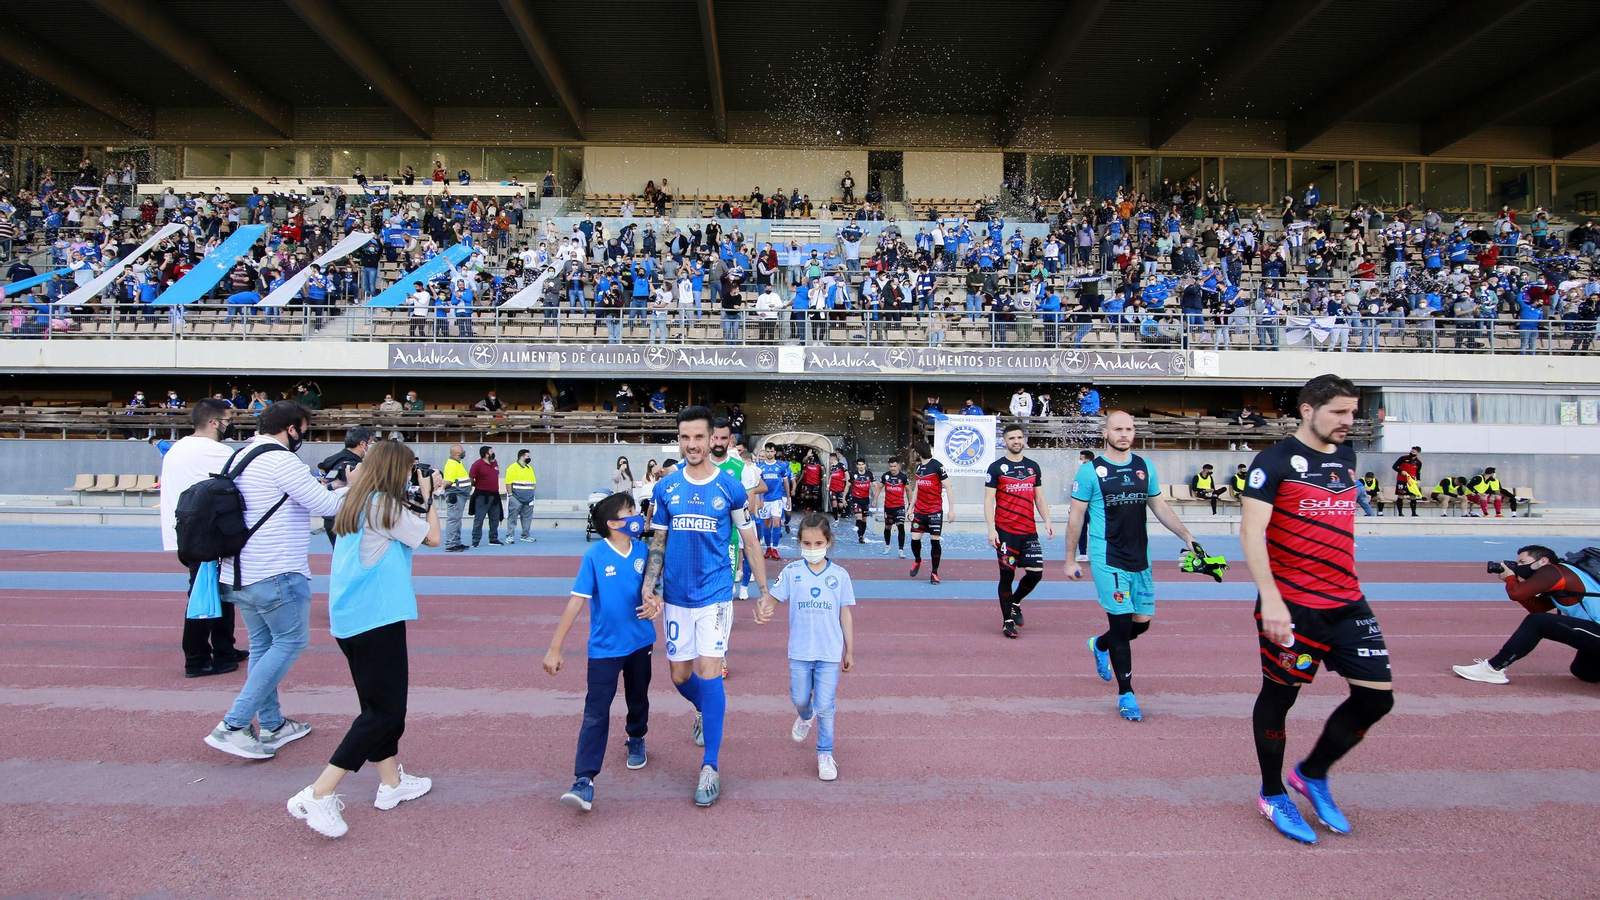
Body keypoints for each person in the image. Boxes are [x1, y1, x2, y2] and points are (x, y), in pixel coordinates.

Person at [1240, 374, 1394, 845]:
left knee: (1377, 699)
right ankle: (1272, 793)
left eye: (1353, 412)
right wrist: (1271, 598)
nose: (1349, 421)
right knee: (1280, 698)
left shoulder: (1346, 457)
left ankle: (1311, 773)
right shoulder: (1273, 461)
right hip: (1294, 606)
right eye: (1339, 412)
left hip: (1348, 600)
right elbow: (1250, 533)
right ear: (1307, 410)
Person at [286, 440, 440, 838]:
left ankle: (391, 782)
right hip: (377, 618)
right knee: (384, 712)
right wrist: (430, 495)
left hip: (351, 617)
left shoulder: (353, 498)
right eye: (407, 469)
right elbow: (433, 537)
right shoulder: (384, 506)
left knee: (378, 706)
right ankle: (319, 792)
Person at [639, 406, 773, 807]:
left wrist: (763, 590)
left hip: (715, 594)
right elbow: (658, 542)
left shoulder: (730, 488)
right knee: (680, 677)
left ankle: (710, 767)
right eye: (685, 437)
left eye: (699, 437)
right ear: (679, 440)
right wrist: (649, 586)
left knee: (710, 672)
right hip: (676, 597)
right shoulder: (666, 488)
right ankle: (703, 709)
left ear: (713, 438)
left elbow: (750, 541)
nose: (692, 444)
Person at [203, 401, 349, 760]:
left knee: (263, 647)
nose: (303, 437)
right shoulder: (282, 460)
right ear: (292, 428)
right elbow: (328, 506)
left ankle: (272, 723)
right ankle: (233, 724)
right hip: (276, 571)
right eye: (303, 430)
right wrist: (353, 487)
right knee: (289, 643)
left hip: (239, 571)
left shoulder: (240, 456)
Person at [1064, 410, 1199, 722]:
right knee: (1122, 625)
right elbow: (1076, 517)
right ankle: (1127, 694)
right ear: (1105, 433)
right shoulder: (1090, 472)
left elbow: (1160, 506)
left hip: (1140, 557)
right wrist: (1070, 559)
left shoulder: (1145, 467)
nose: (1124, 434)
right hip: (1107, 557)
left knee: (1142, 623)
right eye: (1118, 429)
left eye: (1129, 429)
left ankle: (1100, 644)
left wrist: (1187, 536)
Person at [544, 491, 656, 812]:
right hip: (604, 649)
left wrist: (656, 603)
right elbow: (576, 602)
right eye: (630, 511)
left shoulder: (645, 551)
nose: (637, 516)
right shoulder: (594, 555)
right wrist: (555, 648)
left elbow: (656, 589)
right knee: (595, 711)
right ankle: (584, 780)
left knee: (638, 697)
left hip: (640, 643)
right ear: (613, 523)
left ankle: (636, 736)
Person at [159, 399, 249, 678]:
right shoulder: (216, 452)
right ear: (214, 423)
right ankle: (196, 659)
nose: (230, 425)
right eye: (228, 420)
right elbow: (242, 482)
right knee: (204, 595)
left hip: (187, 532)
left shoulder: (178, 448)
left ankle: (224, 648)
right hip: (207, 534)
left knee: (219, 592)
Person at [770, 514, 855, 782]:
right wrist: (763, 609)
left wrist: (849, 650)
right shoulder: (792, 572)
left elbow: (845, 614)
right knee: (799, 698)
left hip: (829, 652)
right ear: (799, 543)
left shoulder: (839, 575)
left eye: (818, 543)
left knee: (826, 706)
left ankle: (825, 753)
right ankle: (805, 716)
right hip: (800, 650)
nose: (812, 548)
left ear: (828, 542)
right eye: (806, 544)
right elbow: (773, 598)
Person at [1452, 545, 1600, 685]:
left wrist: (1510, 578)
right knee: (1584, 671)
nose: (1519, 566)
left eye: (1523, 562)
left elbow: (1518, 593)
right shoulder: (1564, 576)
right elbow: (1538, 607)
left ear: (1543, 561)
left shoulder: (1551, 570)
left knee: (1536, 621)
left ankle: (1493, 668)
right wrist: (1512, 580)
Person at [984, 425, 1054, 639]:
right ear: (1004, 441)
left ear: (1024, 440)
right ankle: (1007, 621)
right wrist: (991, 529)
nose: (1016, 441)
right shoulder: (996, 468)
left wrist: (1047, 520)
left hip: (1029, 530)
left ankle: (1015, 601)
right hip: (1005, 531)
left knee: (1036, 573)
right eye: (1012, 438)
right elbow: (988, 500)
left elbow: (1039, 497)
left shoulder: (1033, 467)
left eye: (1019, 437)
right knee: (1007, 575)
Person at [711, 418, 765, 678]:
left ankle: (719, 653)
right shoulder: (694, 463)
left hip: (729, 541)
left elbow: (749, 506)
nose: (719, 442)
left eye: (724, 438)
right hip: (697, 543)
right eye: (715, 437)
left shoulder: (739, 469)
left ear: (730, 440)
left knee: (723, 598)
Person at [317, 427, 372, 547]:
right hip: (346, 518)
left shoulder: (333, 461)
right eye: (370, 443)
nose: (370, 447)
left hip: (330, 516)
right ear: (362, 444)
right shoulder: (354, 465)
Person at [907, 440, 949, 583]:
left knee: (934, 540)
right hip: (920, 510)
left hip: (934, 510)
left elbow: (948, 486)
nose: (913, 454)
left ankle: (934, 572)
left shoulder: (937, 466)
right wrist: (910, 507)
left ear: (919, 452)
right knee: (915, 539)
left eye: (914, 451)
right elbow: (917, 488)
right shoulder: (919, 468)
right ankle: (918, 560)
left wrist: (952, 509)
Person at [756, 443, 791, 560]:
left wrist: (788, 499)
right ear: (765, 452)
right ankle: (768, 548)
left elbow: (786, 482)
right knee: (767, 524)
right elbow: (758, 485)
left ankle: (775, 549)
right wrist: (760, 500)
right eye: (768, 451)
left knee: (776, 523)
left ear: (775, 452)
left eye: (771, 451)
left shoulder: (781, 466)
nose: (770, 453)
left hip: (777, 499)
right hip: (765, 500)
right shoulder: (760, 467)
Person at [468, 446, 503, 547]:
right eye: (491, 452)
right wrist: (476, 485)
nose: (493, 454)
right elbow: (472, 477)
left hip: (495, 495)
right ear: (486, 454)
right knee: (479, 519)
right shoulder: (477, 464)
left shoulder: (495, 463)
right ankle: (475, 540)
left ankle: (493, 539)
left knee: (495, 519)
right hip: (482, 495)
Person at [875, 458, 909, 558]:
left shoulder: (903, 477)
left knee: (900, 525)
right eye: (891, 466)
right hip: (888, 507)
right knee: (888, 527)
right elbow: (879, 487)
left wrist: (910, 503)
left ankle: (901, 549)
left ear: (898, 465)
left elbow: (908, 490)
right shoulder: (886, 476)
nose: (893, 468)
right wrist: (875, 499)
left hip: (899, 506)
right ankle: (887, 545)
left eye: (894, 466)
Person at [440, 444, 471, 552]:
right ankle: (451, 544)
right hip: (456, 495)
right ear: (457, 453)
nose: (463, 452)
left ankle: (456, 542)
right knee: (453, 519)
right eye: (462, 451)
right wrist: (441, 488)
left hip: (460, 495)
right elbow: (449, 481)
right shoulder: (452, 464)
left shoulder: (457, 463)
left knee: (456, 520)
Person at [504, 449, 538, 543]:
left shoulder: (530, 468)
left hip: (529, 498)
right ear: (521, 457)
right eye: (527, 456)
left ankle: (525, 535)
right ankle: (510, 536)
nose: (529, 458)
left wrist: (532, 494)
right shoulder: (512, 468)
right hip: (516, 497)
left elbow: (534, 482)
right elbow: (508, 482)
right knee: (513, 517)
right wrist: (510, 495)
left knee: (527, 518)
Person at [846, 457, 875, 544]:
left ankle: (862, 534)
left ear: (865, 465)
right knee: (858, 517)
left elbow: (875, 485)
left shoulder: (869, 474)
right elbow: (847, 486)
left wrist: (875, 497)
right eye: (859, 465)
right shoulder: (853, 474)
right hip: (856, 499)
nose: (861, 466)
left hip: (865, 500)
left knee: (864, 519)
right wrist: (843, 498)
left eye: (862, 464)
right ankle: (859, 536)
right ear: (857, 466)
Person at [1074, 450, 1094, 562]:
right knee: (1081, 529)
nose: (1079, 461)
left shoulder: (1094, 472)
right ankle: (1083, 553)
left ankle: (1098, 553)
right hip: (1083, 507)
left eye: (1081, 459)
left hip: (1093, 507)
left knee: (1096, 530)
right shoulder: (1081, 472)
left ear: (1087, 460)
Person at [826, 452, 848, 521]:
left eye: (829, 458)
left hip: (840, 487)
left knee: (840, 505)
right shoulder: (832, 467)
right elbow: (831, 476)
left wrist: (848, 483)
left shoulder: (841, 465)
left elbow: (847, 474)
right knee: (834, 503)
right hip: (833, 488)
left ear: (831, 459)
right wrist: (828, 485)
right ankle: (835, 519)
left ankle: (840, 513)